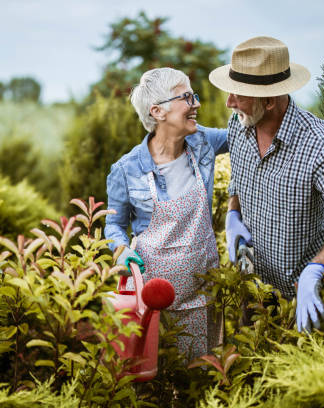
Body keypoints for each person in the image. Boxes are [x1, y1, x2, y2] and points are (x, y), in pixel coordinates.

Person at [208, 36, 324, 332]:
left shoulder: (319, 144)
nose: (230, 102)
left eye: (237, 95)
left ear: (269, 101)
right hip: (252, 280)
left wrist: (316, 269)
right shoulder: (239, 122)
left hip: (301, 295)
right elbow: (241, 176)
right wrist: (233, 215)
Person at [104, 67, 228, 360]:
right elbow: (113, 224)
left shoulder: (203, 143)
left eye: (193, 96)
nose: (196, 104)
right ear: (157, 111)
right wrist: (120, 249)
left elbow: (247, 131)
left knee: (198, 380)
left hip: (201, 296)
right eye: (186, 97)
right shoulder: (127, 169)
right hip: (149, 298)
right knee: (153, 377)